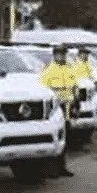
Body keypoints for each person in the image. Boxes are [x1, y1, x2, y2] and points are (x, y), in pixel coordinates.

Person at [38, 44, 77, 178]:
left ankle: (62, 167)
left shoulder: (69, 69)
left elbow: (73, 86)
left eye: (63, 54)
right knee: (54, 139)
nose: (62, 56)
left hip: (67, 108)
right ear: (54, 55)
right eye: (59, 54)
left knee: (65, 139)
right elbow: (43, 91)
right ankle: (51, 170)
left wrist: (75, 102)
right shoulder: (48, 71)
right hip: (54, 110)